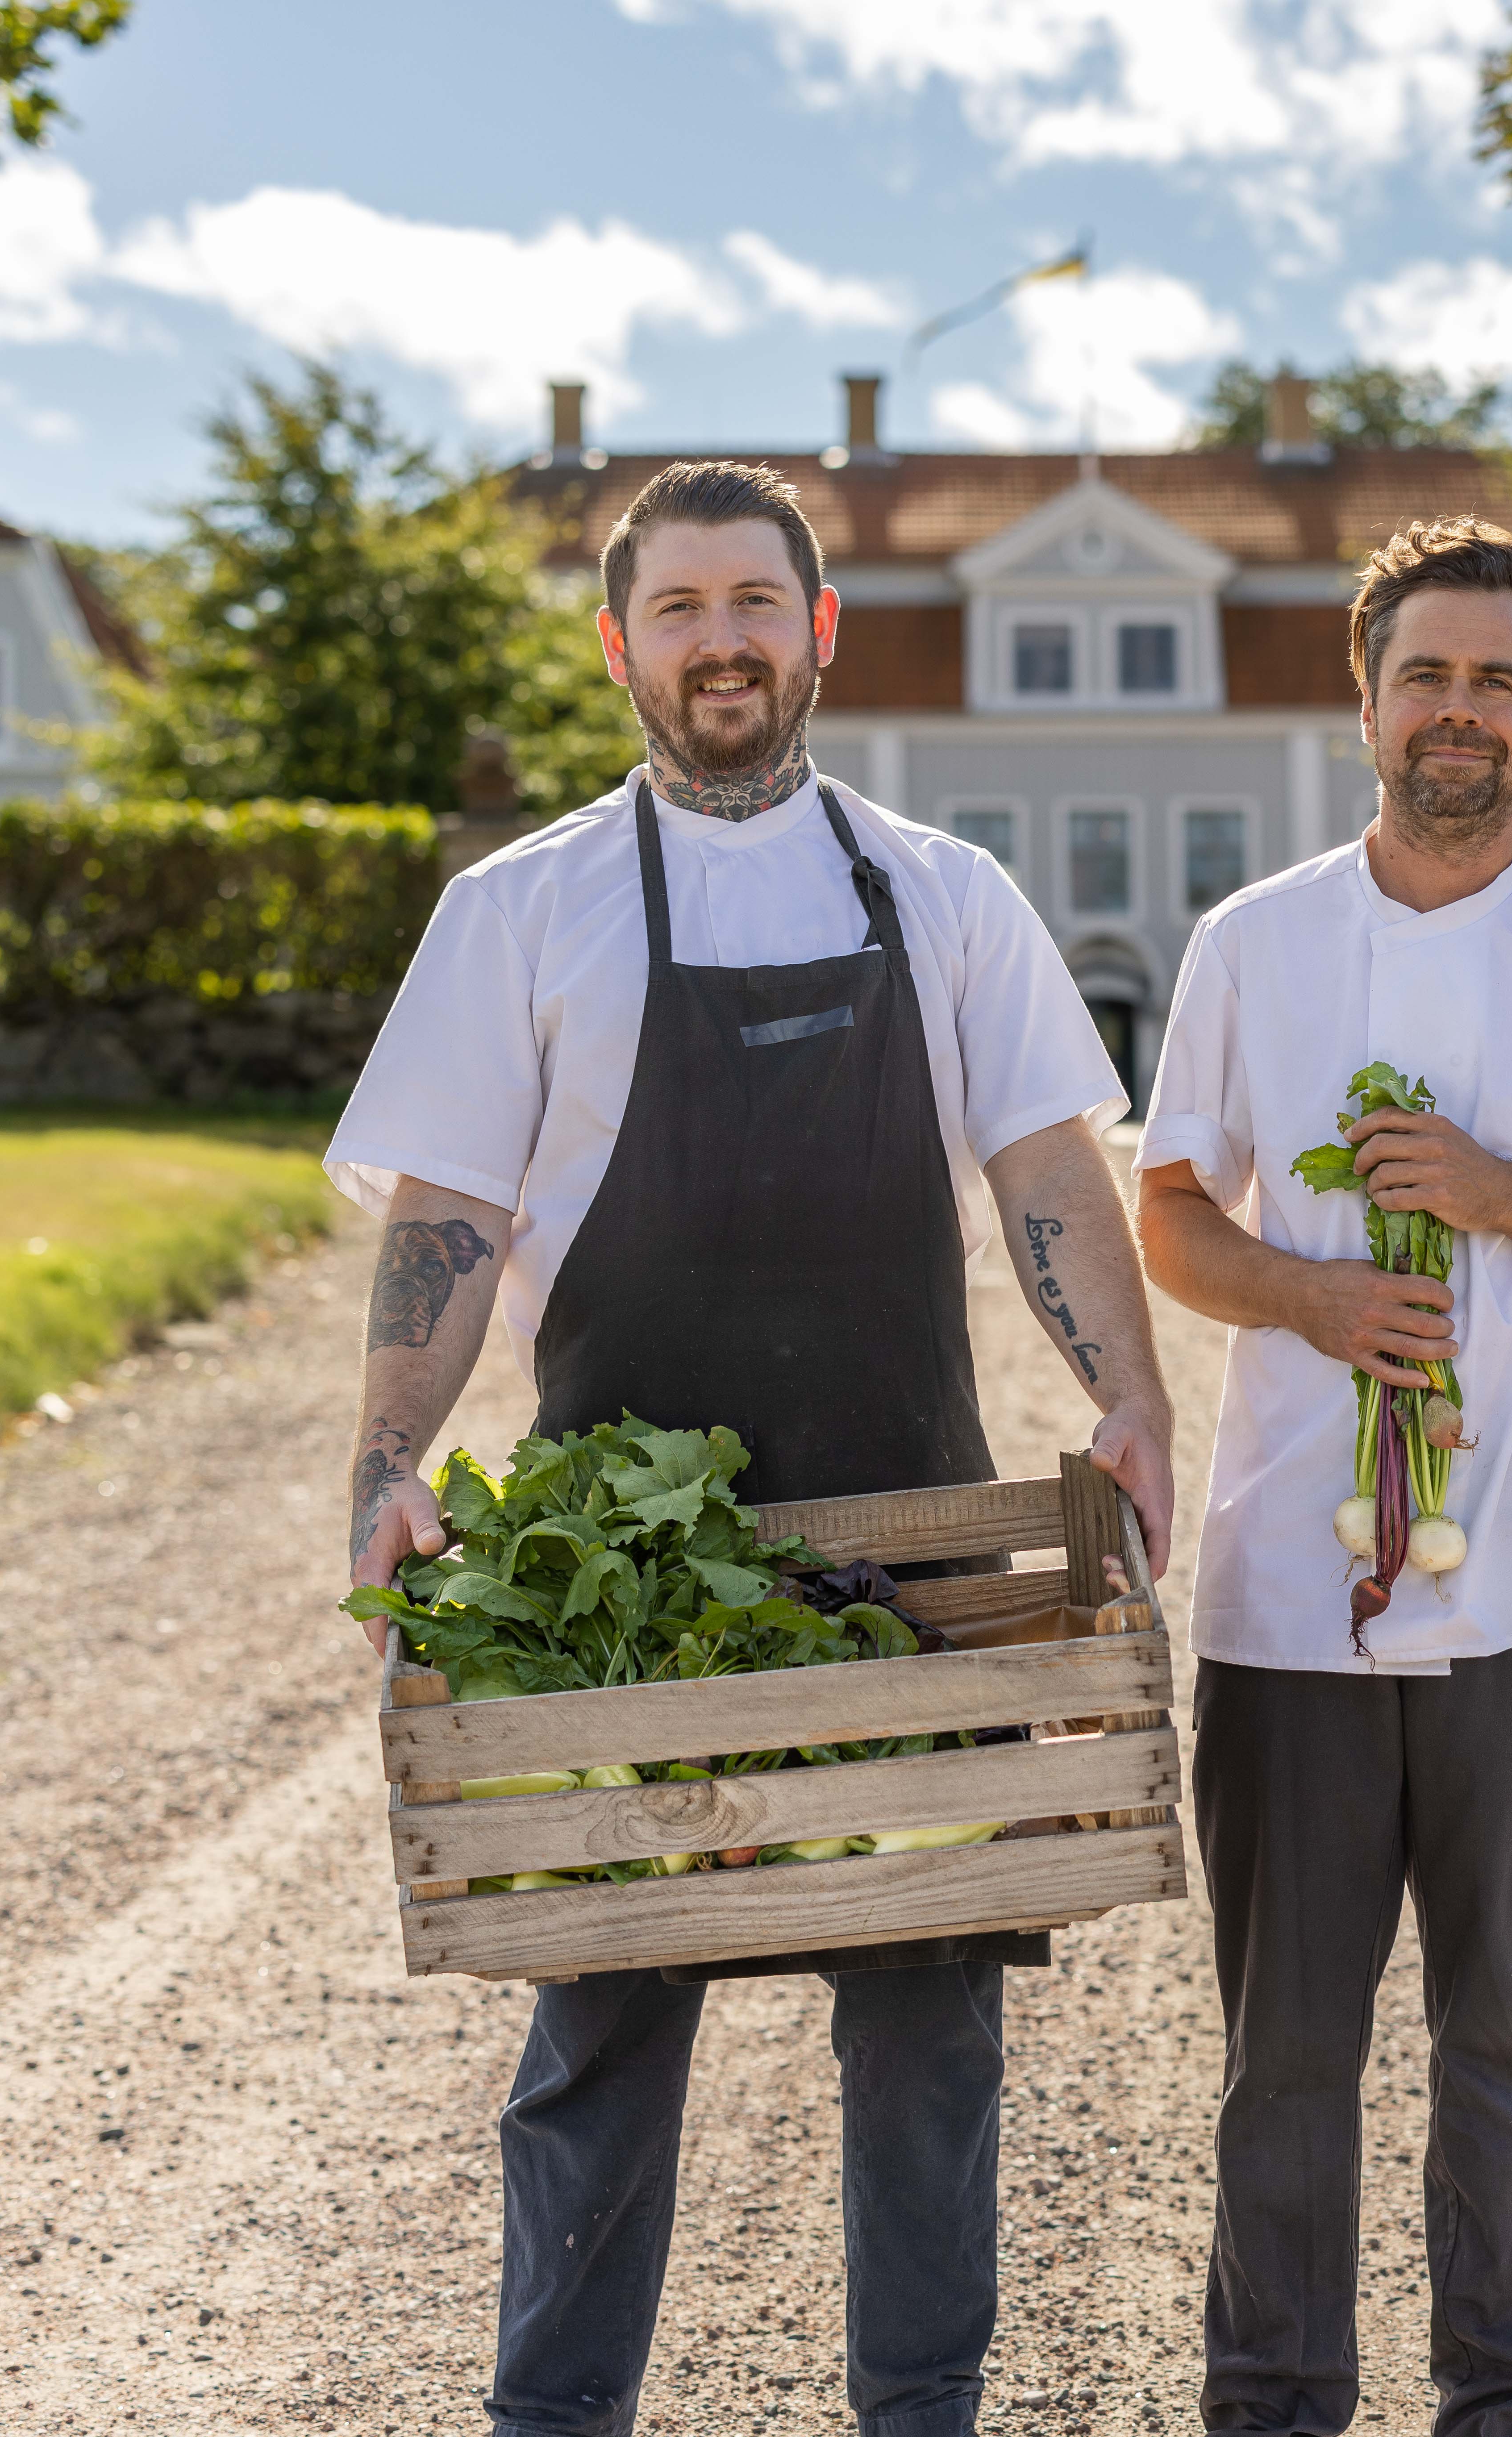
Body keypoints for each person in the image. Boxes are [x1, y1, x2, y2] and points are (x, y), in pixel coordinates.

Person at [323, 458, 1175, 2437]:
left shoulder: (944, 896)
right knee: (602, 2021)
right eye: (680, 607)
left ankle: (919, 2415)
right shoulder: (517, 908)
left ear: (821, 632)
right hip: (625, 1588)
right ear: (620, 644)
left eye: (752, 602)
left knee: (930, 2025)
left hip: (912, 1541)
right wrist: (386, 1459)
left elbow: (1050, 1162)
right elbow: (443, 1222)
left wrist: (1130, 1405)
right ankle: (557, 2418)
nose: (721, 640)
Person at [1134, 517, 1512, 2435]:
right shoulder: (1252, 946)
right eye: (1427, 675)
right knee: (1285, 2055)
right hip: (1280, 1607)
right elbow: (1166, 1214)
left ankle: (1508, 2403)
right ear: (1365, 702)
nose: (1460, 712)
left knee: (1504, 2038)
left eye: (1496, 680)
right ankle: (1275, 2401)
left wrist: (1496, 1196)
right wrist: (1313, 1297)